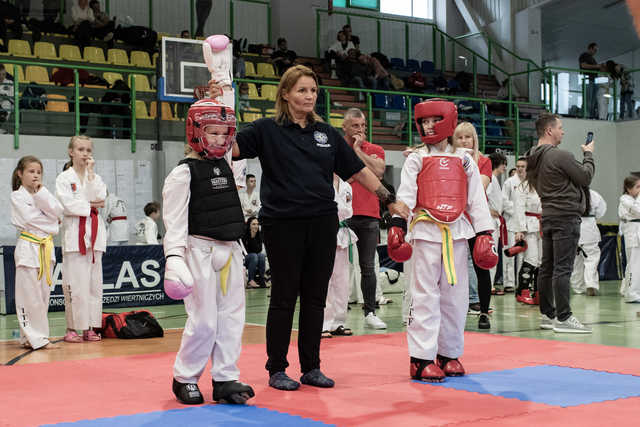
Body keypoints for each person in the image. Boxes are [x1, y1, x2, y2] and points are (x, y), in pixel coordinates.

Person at [211, 64, 408, 391]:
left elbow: (358, 171)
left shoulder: (327, 135)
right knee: (284, 297)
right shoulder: (265, 130)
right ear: (285, 94)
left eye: (313, 90)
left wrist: (389, 199)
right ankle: (276, 368)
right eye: (302, 90)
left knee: (317, 297)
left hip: (322, 222)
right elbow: (228, 149)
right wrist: (217, 110)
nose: (309, 96)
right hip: (282, 223)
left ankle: (311, 367)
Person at [388, 99, 495, 382]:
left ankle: (449, 353)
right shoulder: (416, 158)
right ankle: (421, 359)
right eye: (423, 121)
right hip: (425, 231)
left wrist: (485, 233)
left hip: (457, 233)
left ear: (447, 121)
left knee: (455, 297)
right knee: (425, 295)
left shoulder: (465, 159)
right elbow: (407, 194)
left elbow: (476, 199)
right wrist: (398, 224)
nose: (428, 126)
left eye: (434, 120)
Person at [162, 98, 255, 405]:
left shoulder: (228, 165)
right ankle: (185, 377)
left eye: (222, 133)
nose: (218, 139)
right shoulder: (183, 174)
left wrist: (222, 81)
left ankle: (226, 377)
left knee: (231, 318)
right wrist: (174, 259)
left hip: (230, 251)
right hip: (198, 251)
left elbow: (228, 97)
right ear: (195, 131)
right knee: (203, 320)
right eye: (212, 132)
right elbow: (174, 222)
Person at [525, 113, 594, 333]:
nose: (563, 131)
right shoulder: (560, 155)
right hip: (565, 215)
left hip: (549, 214)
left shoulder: (532, 157)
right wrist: (589, 155)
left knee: (547, 267)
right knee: (562, 268)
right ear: (549, 131)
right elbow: (585, 177)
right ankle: (564, 317)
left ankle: (548, 314)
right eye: (560, 128)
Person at [56, 135, 107, 343]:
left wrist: (91, 174)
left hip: (95, 237)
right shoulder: (64, 179)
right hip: (74, 238)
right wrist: (90, 205)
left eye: (88, 150)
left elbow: (102, 198)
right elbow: (67, 206)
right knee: (75, 285)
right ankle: (72, 328)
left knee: (94, 286)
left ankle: (90, 327)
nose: (85, 154)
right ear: (71, 151)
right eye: (80, 149)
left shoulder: (95, 177)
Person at [10, 156, 63, 350]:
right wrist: (52, 223)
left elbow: (58, 212)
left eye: (38, 172)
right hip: (28, 248)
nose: (35, 175)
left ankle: (29, 338)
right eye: (31, 172)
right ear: (20, 174)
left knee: (42, 296)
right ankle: (37, 339)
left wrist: (42, 196)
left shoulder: (43, 194)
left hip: (45, 248)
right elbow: (31, 219)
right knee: (28, 297)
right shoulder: (18, 196)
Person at [342, 108, 387, 329]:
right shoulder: (337, 147)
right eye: (355, 126)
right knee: (338, 267)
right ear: (345, 127)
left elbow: (378, 171)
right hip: (342, 215)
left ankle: (370, 312)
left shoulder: (375, 149)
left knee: (368, 266)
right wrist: (360, 174)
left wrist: (358, 151)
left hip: (369, 216)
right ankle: (336, 314)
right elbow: (337, 177)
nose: (360, 130)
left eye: (363, 125)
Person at [451, 122, 493, 329]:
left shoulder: (484, 162)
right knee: (455, 267)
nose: (464, 141)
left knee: (481, 266)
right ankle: (455, 309)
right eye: (459, 137)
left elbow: (479, 187)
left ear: (474, 139)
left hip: (476, 219)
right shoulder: (449, 160)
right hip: (454, 218)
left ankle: (484, 311)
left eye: (468, 137)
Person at [322, 175, 356, 338]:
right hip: (324, 231)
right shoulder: (321, 180)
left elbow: (347, 211)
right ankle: (323, 323)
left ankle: (339, 322)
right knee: (324, 280)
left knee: (341, 280)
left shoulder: (346, 186)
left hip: (342, 233)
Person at [513, 174, 542, 305]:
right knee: (531, 259)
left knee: (542, 261)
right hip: (529, 226)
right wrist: (520, 229)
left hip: (544, 225)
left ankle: (538, 292)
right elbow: (518, 209)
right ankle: (522, 291)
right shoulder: (522, 187)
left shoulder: (545, 184)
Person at [570, 189, 606, 296]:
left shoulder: (569, 193)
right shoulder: (594, 194)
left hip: (573, 227)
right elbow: (601, 211)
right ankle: (591, 284)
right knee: (591, 259)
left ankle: (578, 288)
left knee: (575, 261)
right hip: (589, 228)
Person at [502, 157, 526, 293]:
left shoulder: (530, 183)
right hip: (511, 222)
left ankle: (522, 282)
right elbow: (504, 201)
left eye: (523, 166)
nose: (520, 169)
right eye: (518, 166)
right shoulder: (509, 182)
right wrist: (517, 210)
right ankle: (509, 283)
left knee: (524, 255)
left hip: (525, 224)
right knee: (509, 254)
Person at [618, 175, 640, 303]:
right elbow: (638, 210)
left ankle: (628, 290)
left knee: (636, 263)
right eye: (637, 187)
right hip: (632, 232)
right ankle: (632, 293)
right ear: (628, 188)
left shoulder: (634, 199)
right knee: (633, 263)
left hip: (636, 229)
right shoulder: (625, 199)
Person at [487, 152, 506, 289]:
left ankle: (491, 284)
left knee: (494, 254)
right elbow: (482, 196)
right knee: (490, 254)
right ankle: (489, 285)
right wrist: (488, 210)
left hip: (495, 220)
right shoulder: (491, 179)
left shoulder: (495, 179)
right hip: (490, 221)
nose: (505, 167)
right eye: (504, 164)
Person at [578, 43, 605, 119]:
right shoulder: (584, 56)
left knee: (592, 101)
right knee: (588, 100)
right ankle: (585, 116)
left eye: (596, 50)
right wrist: (597, 66)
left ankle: (589, 116)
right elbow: (583, 65)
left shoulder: (593, 59)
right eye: (594, 50)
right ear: (590, 48)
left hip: (593, 81)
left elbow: (596, 68)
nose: (595, 52)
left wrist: (600, 67)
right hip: (587, 80)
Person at [242, 216, 266, 289]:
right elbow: (244, 250)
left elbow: (258, 249)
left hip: (254, 257)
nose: (256, 226)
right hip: (243, 258)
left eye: (257, 224)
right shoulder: (244, 234)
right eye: (253, 224)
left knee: (261, 256)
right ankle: (251, 280)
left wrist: (253, 238)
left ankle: (261, 279)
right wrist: (251, 237)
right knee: (254, 256)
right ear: (249, 225)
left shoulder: (259, 235)